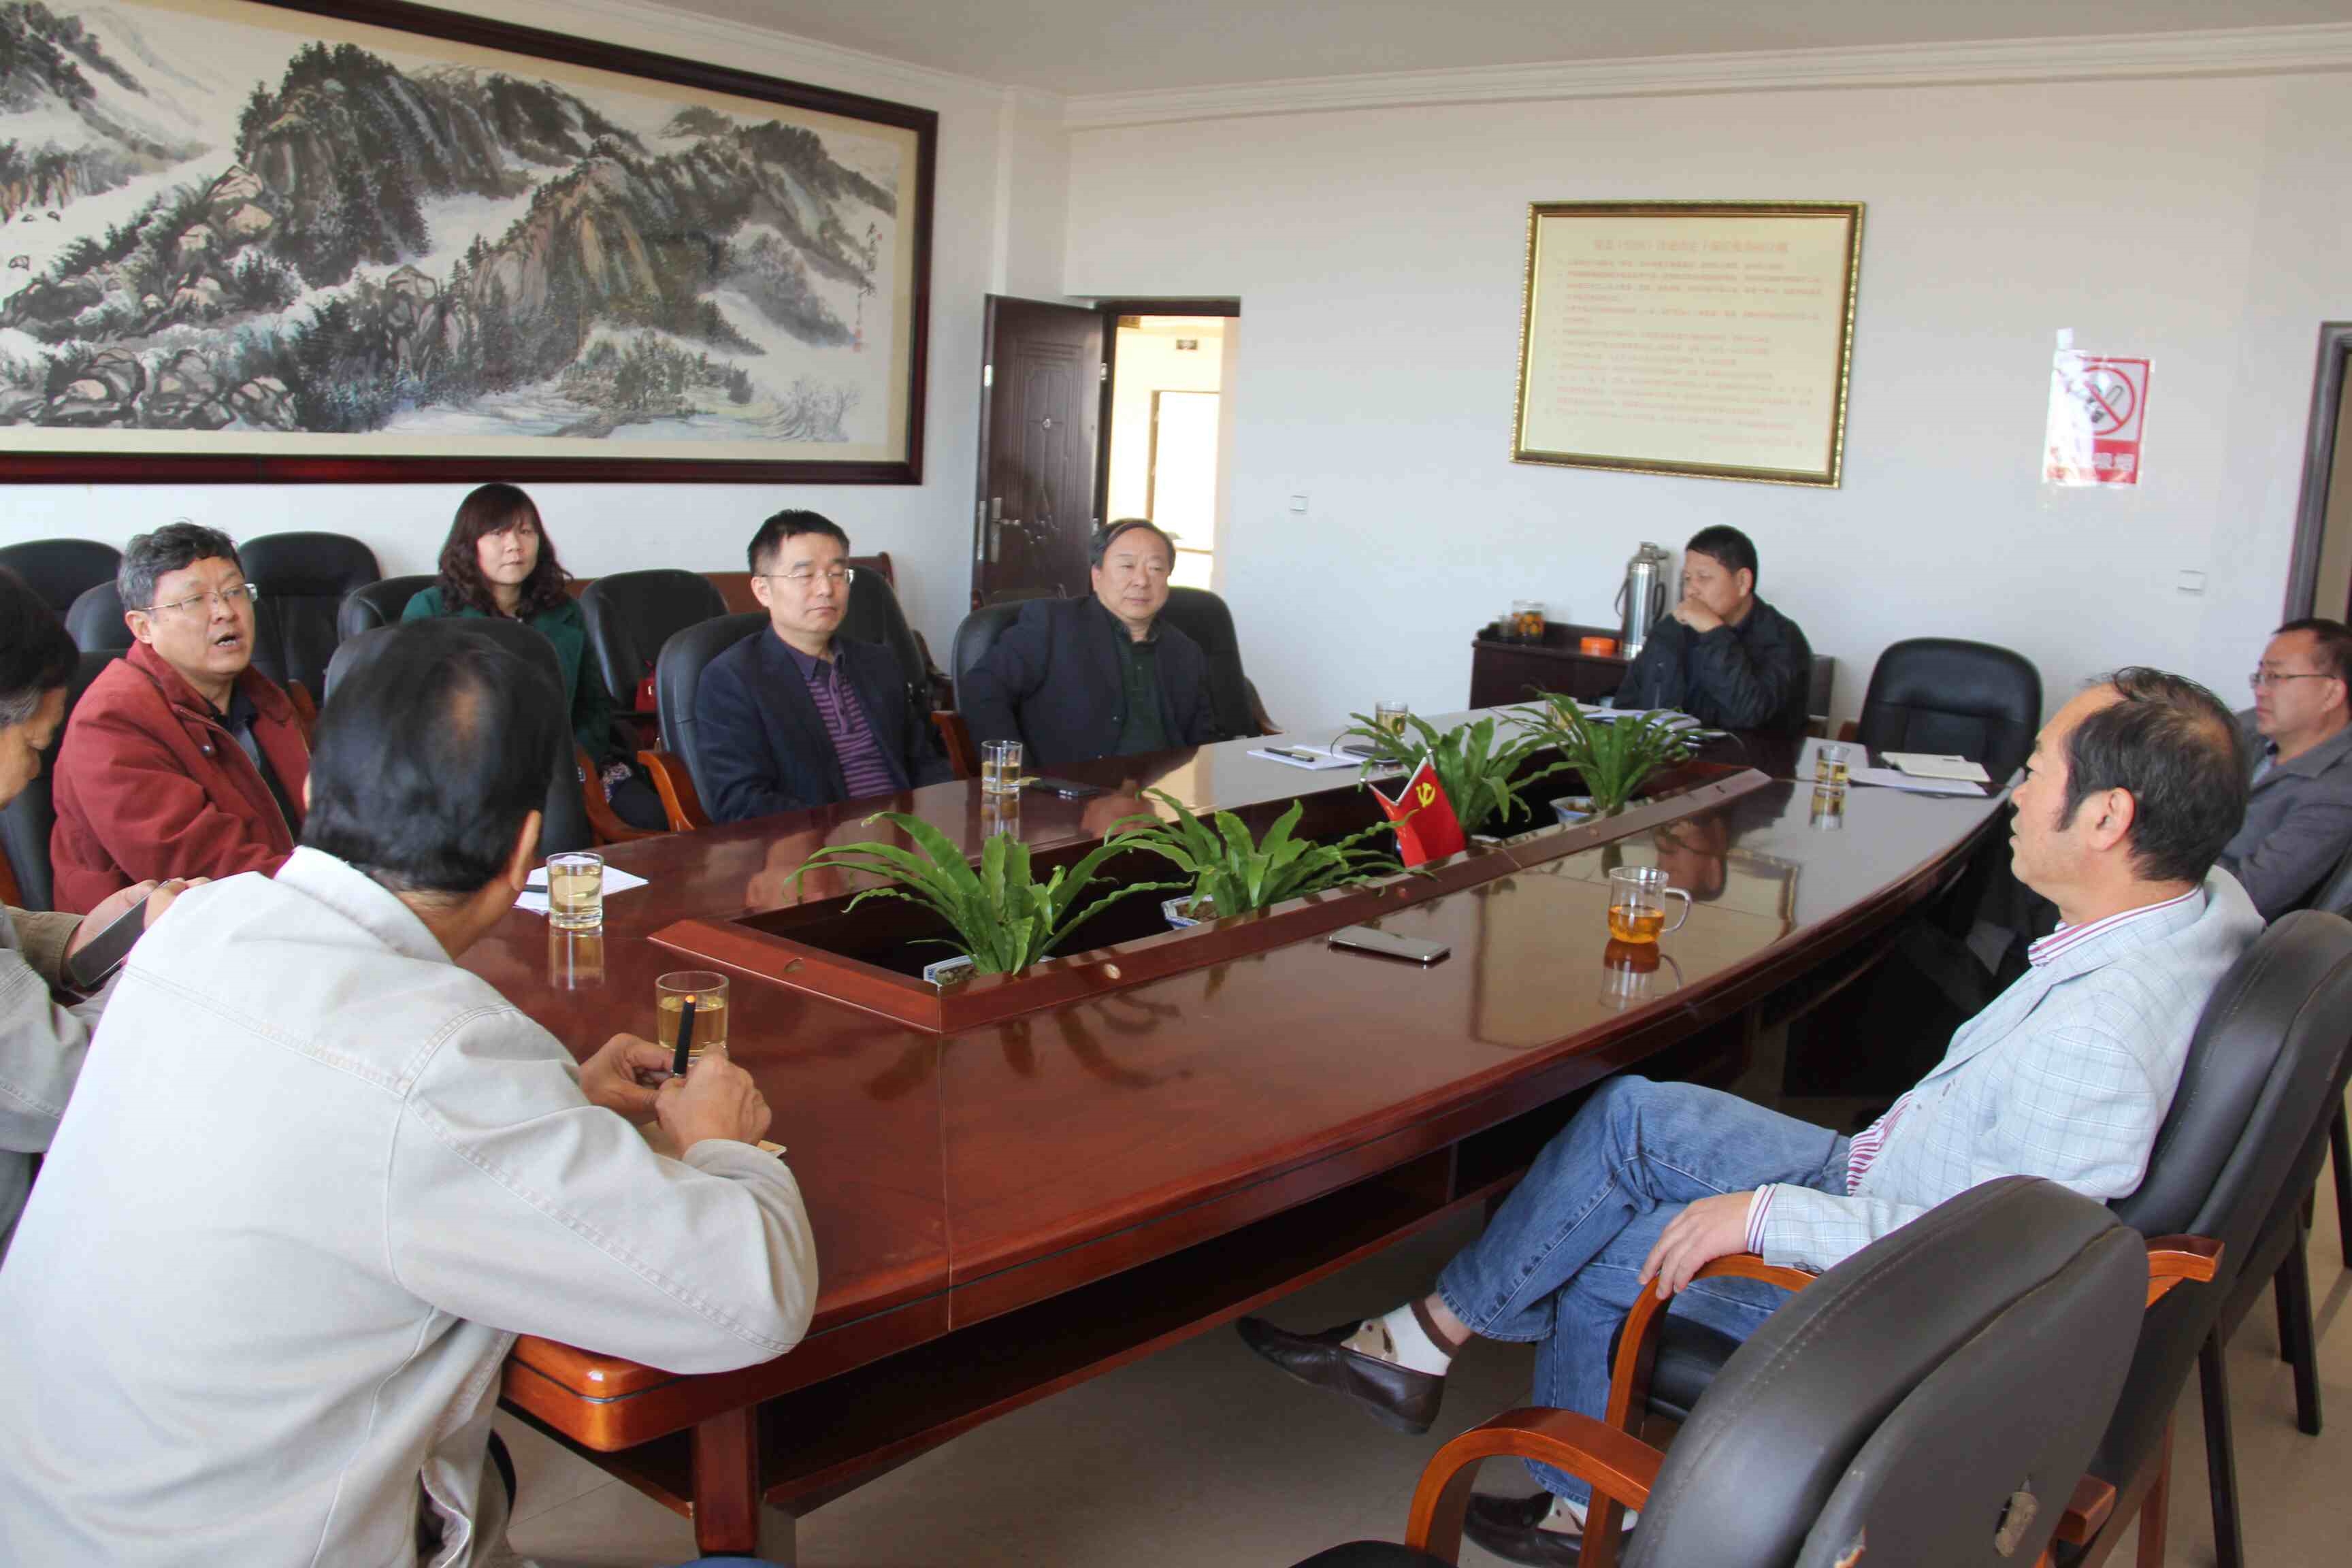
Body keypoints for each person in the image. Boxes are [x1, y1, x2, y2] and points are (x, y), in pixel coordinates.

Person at [1239, 668, 2257, 1565]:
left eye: (2036, 772)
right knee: (1631, 1114)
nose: (2018, 794)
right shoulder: (2192, 908)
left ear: (2109, 818)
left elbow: (1999, 1264)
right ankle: (1427, 1339)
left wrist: (1765, 1217)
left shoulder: (2101, 1035)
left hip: (1897, 1294)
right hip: (1890, 1173)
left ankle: (1584, 1511)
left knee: (1622, 1251)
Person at [0, 621, 817, 1566]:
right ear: (523, 850)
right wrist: (721, 1144)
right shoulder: (443, 1058)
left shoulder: (199, 927)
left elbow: (351, 1129)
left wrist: (558, 1099)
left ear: (314, 791)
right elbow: (751, 1303)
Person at [0, 568, 193, 1259]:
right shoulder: (121, 718)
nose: (33, 773)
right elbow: (63, 1086)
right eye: (33, 747)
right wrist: (165, 964)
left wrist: (78, 938)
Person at [48, 522, 309, 914]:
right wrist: (339, 894)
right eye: (194, 600)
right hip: (161, 936)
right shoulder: (109, 723)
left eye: (234, 592)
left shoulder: (267, 698)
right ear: (143, 627)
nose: (225, 612)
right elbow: (204, 870)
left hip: (279, 908)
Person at [404, 483, 668, 830]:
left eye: (526, 532)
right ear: (469, 544)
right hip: (469, 776)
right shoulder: (432, 610)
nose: (515, 545)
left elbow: (593, 705)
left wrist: (574, 761)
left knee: (655, 820)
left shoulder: (564, 611)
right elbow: (413, 715)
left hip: (567, 766)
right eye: (498, 533)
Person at [694, 509, 953, 823]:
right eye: (805, 576)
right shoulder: (732, 679)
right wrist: (841, 833)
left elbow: (925, 762)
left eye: (837, 574)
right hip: (815, 844)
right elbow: (742, 802)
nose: (826, 589)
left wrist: (942, 820)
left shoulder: (879, 663)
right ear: (763, 590)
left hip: (909, 836)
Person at [960, 518, 1225, 767]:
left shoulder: (1186, 651)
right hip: (1071, 790)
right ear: (1097, 576)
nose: (1142, 581)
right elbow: (983, 688)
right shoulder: (1053, 625)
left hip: (1163, 793)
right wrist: (1014, 771)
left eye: (1156, 569)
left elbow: (1203, 740)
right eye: (1127, 566)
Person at [1614, 525, 1812, 747]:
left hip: (1747, 765)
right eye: (1687, 578)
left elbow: (1750, 714)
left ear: (1742, 582)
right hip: (1665, 759)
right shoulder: (1671, 630)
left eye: (1703, 578)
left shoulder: (1783, 640)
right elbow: (1625, 708)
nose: (1691, 590)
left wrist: (1714, 633)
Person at [2217, 617, 2352, 918]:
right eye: (2260, 676)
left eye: (2276, 677)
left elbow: (2251, 896)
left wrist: (2173, 855)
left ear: (2331, 694)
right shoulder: (2245, 730)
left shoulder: (2338, 790)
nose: (2261, 691)